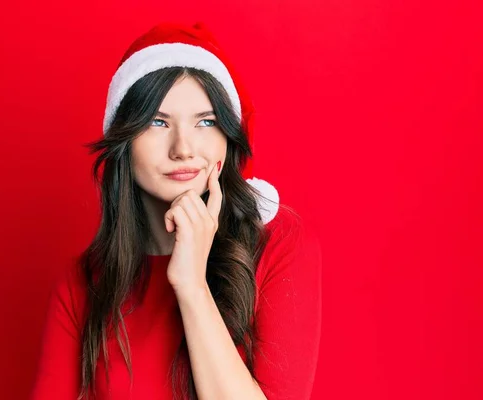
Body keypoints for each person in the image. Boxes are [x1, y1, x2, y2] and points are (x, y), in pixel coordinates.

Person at [30, 21, 322, 400]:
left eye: (206, 122)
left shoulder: (279, 244)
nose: (183, 148)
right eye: (157, 121)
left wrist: (191, 284)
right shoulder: (83, 284)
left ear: (227, 138)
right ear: (124, 139)